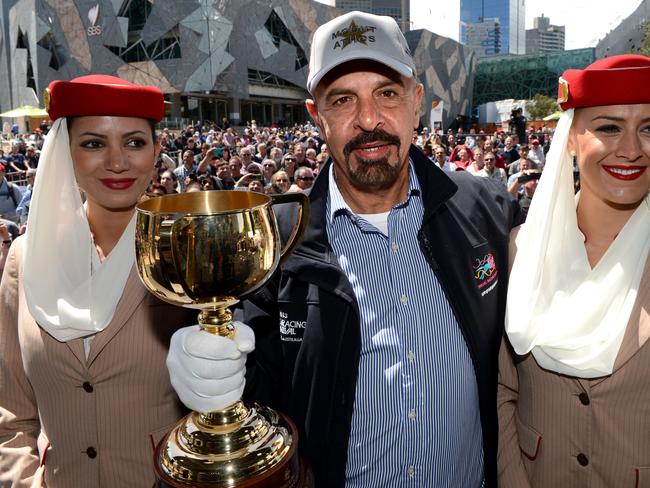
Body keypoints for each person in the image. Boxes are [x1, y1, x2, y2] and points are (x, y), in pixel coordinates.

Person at [165, 11, 521, 488]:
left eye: (387, 94)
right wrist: (215, 375)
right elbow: (259, 393)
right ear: (317, 117)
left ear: (417, 102)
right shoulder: (271, 243)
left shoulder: (486, 210)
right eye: (342, 99)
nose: (369, 119)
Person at [0, 75, 194, 487]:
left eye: (135, 142)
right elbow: (11, 411)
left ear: (157, 150)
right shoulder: (24, 259)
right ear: (64, 153)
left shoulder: (187, 254)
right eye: (93, 143)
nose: (117, 161)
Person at [498, 54, 650, 487]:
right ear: (569, 138)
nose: (631, 148)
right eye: (608, 127)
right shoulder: (519, 250)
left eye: (648, 128)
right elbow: (504, 388)